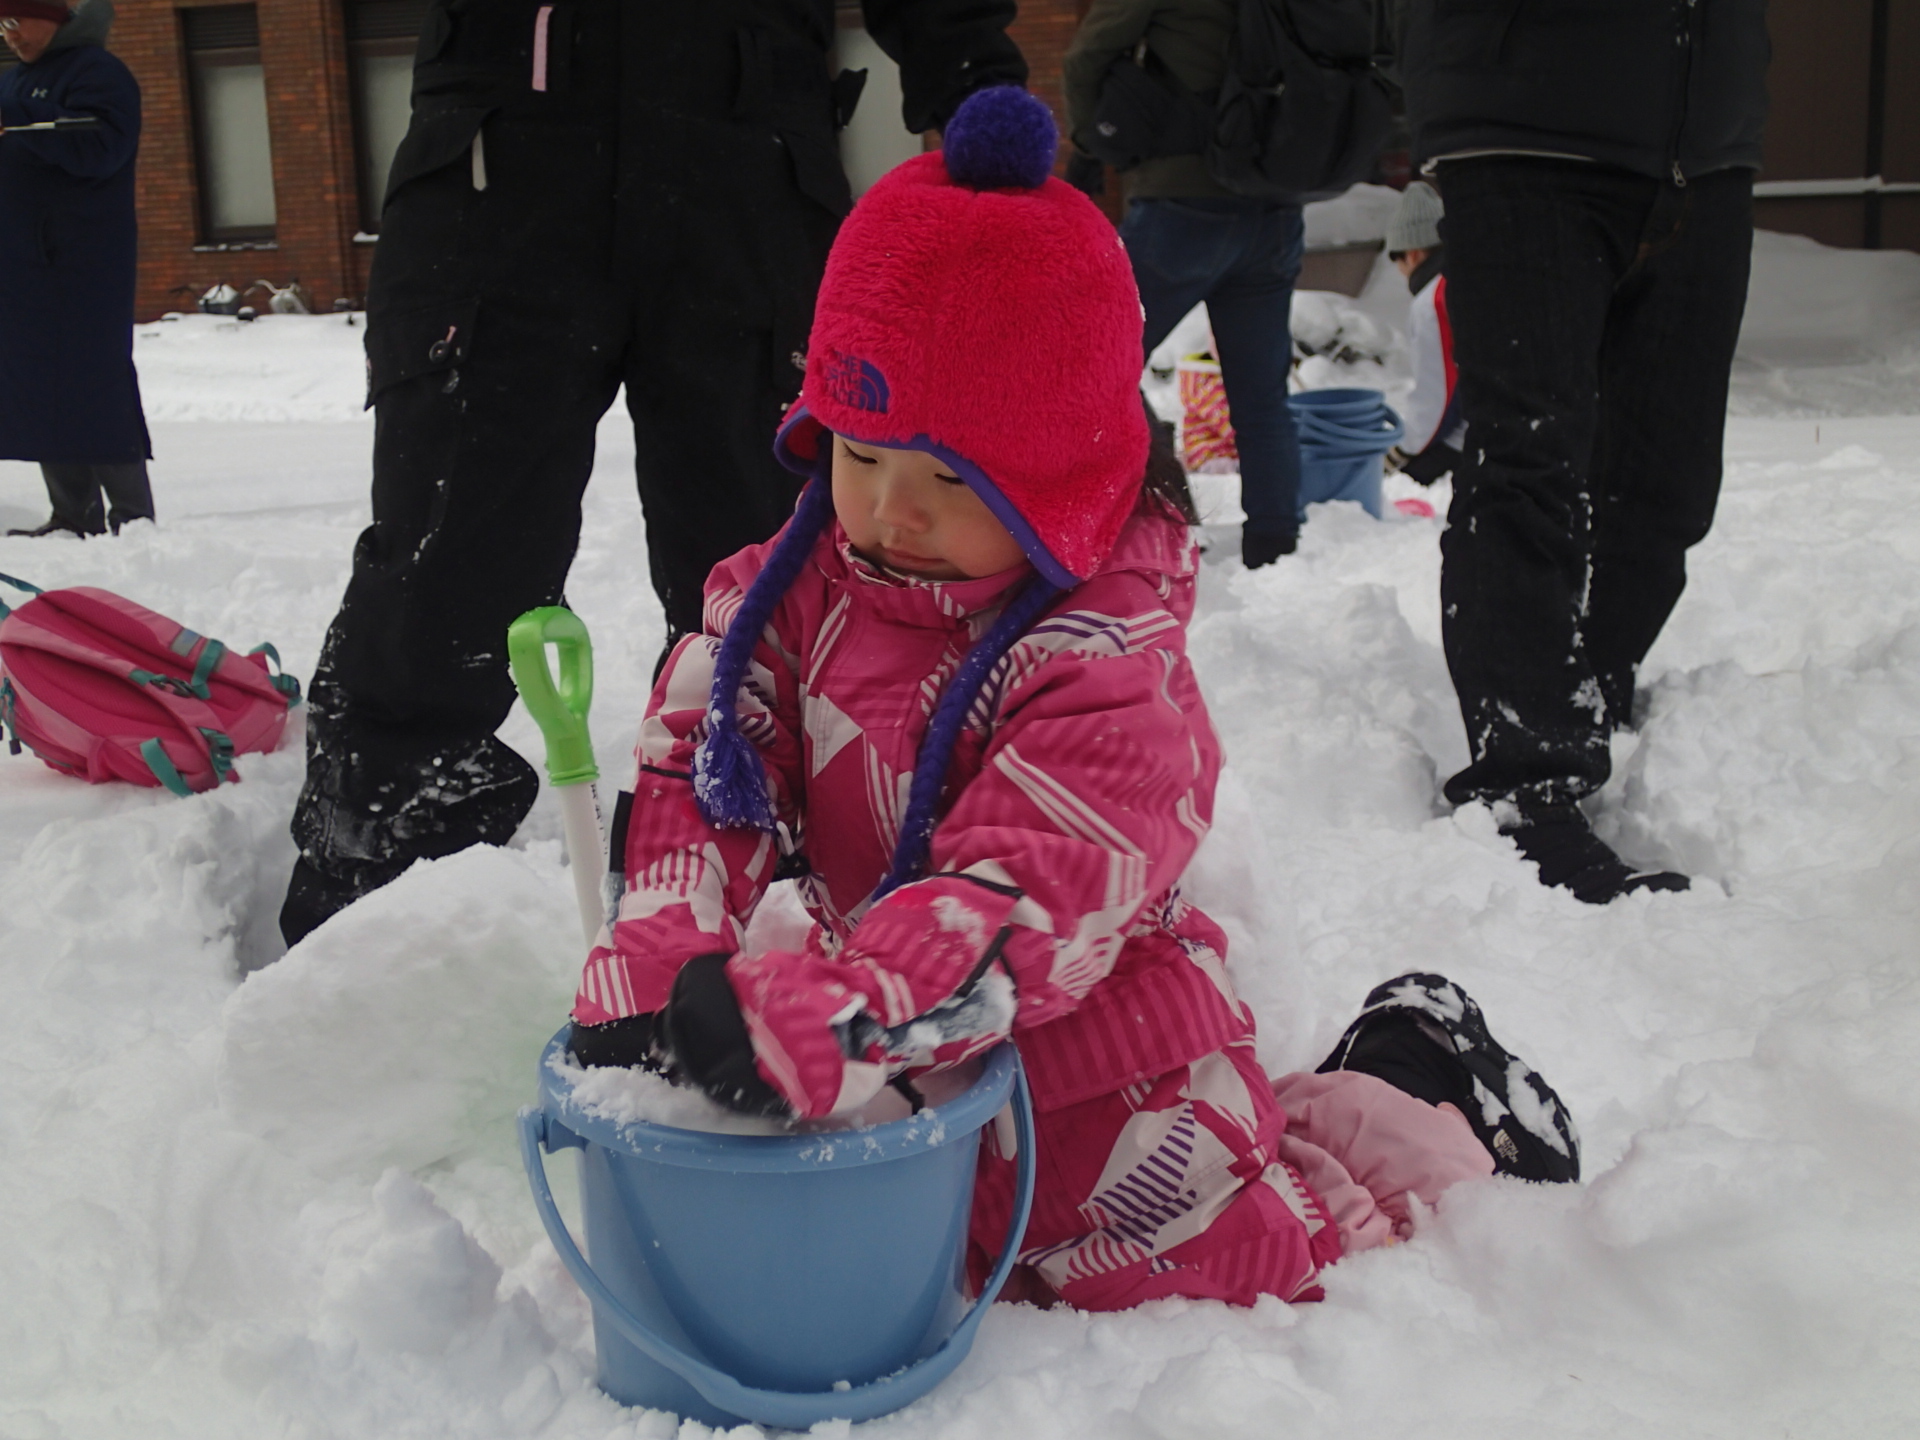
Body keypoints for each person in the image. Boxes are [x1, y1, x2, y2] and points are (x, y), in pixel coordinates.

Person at [565, 89, 1578, 1311]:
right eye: (860, 452)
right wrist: (665, 941)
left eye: (948, 476)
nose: (890, 511)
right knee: (934, 1244)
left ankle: (1424, 1086)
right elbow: (706, 753)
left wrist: (854, 1008)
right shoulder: (795, 593)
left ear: (1062, 472)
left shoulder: (1104, 658)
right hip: (894, 1038)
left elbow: (1028, 886)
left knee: (1248, 1258)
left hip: (1104, 1055)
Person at [279, 0, 1027, 947]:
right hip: (501, 150)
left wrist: (973, 83)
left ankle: (770, 923)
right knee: (449, 561)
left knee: (774, 582)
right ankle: (376, 935)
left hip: (752, 158)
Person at [1392, 0, 1770, 903]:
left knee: (1665, 484)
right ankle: (1526, 786)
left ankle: (1587, 701)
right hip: (1526, 123)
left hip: (1704, 142)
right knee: (1530, 464)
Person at [1063, 0, 1305, 568]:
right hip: (1274, 210)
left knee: (1092, 358)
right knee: (1262, 398)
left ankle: (1161, 517)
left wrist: (1089, 141)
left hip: (1183, 205)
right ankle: (1275, 550)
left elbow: (1084, 55)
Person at [0, 0, 153, 540]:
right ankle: (71, 514)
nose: (11, 36)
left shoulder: (97, 72)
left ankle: (133, 521)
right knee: (39, 386)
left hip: (83, 265)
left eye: (17, 22)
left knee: (93, 383)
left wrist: (16, 126)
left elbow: (100, 147)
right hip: (24, 267)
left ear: (53, 15)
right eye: (3, 26)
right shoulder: (16, 81)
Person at [1381, 181, 1461, 489]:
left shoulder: (1434, 301)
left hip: (1470, 439)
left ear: (1412, 254)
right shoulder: (1467, 277)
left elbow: (1437, 395)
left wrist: (1402, 450)